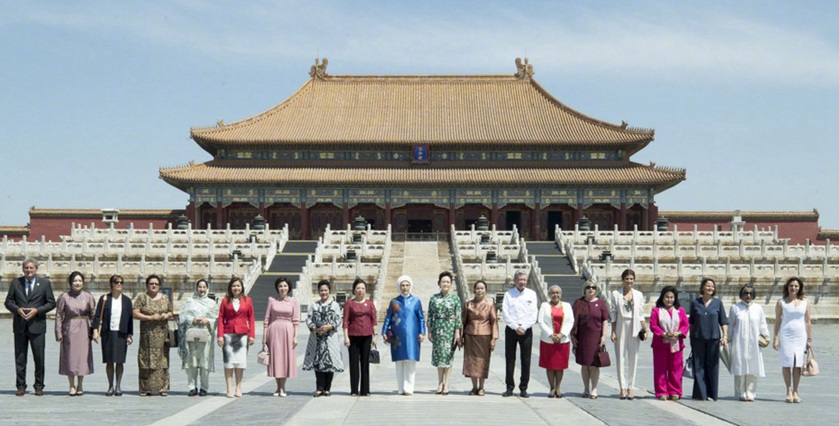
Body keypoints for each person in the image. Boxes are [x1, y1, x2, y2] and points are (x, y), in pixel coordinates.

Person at [5, 259, 56, 396]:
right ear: (23, 269)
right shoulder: (16, 283)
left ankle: (39, 385)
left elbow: (51, 303)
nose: (28, 270)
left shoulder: (44, 283)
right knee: (20, 358)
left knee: (39, 358)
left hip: (37, 326)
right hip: (20, 326)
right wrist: (17, 309)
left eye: (31, 268)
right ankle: (21, 385)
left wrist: (37, 310)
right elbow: (8, 301)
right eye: (26, 268)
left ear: (36, 269)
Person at [382, 275, 425, 396]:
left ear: (410, 286)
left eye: (407, 285)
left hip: (412, 335)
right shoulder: (394, 302)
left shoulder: (416, 301)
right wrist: (384, 331)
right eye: (402, 285)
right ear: (399, 287)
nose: (405, 288)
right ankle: (400, 387)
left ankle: (409, 387)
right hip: (397, 335)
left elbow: (421, 318)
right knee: (399, 361)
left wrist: (422, 332)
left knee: (410, 360)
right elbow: (388, 318)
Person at [54, 271, 96, 396]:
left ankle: (80, 384)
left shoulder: (88, 297)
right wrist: (58, 332)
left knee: (82, 358)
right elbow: (59, 315)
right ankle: (71, 385)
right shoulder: (64, 297)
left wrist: (95, 330)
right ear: (71, 283)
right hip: (69, 328)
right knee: (70, 357)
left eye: (80, 281)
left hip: (83, 328)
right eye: (75, 281)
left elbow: (93, 315)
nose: (77, 283)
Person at [91, 274, 133, 397]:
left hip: (122, 332)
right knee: (109, 361)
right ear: (112, 284)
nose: (119, 284)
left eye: (121, 282)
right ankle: (110, 386)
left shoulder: (127, 300)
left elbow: (130, 319)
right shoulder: (104, 299)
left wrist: (130, 334)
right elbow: (98, 315)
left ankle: (118, 386)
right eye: (116, 282)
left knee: (120, 361)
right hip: (108, 332)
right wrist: (95, 330)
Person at [609, 268, 647, 400]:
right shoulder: (615, 294)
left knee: (633, 358)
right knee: (620, 357)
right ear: (623, 280)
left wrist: (645, 329)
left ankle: (631, 386)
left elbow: (641, 313)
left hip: (634, 326)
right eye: (627, 279)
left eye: (631, 279)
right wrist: (613, 331)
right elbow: (613, 313)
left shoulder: (638, 295)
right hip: (621, 324)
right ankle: (622, 387)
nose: (629, 281)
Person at [133, 274, 174, 396]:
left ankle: (162, 387)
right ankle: (146, 388)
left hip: (162, 335)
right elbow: (135, 313)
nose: (154, 285)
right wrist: (150, 317)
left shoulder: (165, 298)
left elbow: (171, 311)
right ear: (147, 285)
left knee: (163, 360)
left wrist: (166, 315)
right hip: (147, 336)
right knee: (146, 360)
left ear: (159, 285)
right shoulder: (142, 298)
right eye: (151, 283)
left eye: (156, 283)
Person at [773, 277, 812, 403]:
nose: (793, 288)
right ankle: (788, 390)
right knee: (787, 363)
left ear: (799, 287)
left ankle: (796, 391)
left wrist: (809, 338)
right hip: (786, 335)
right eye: (791, 286)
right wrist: (775, 338)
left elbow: (808, 321)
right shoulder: (781, 302)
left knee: (797, 364)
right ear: (787, 287)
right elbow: (778, 321)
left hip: (800, 336)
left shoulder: (805, 302)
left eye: (796, 286)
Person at [689, 277, 728, 401]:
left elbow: (723, 321)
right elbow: (692, 323)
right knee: (699, 366)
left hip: (713, 338)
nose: (710, 288)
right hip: (698, 338)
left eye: (712, 286)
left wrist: (725, 336)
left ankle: (711, 394)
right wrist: (691, 337)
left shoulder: (718, 303)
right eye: (708, 286)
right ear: (702, 288)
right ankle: (701, 393)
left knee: (712, 366)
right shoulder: (695, 303)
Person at [178, 278, 219, 397]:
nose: (201, 289)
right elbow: (182, 318)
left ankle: (204, 387)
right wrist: (192, 320)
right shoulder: (189, 302)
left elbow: (217, 319)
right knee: (191, 362)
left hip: (206, 336)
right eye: (199, 287)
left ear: (207, 289)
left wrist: (207, 320)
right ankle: (192, 387)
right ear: (196, 288)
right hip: (191, 336)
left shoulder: (212, 304)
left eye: (204, 287)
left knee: (205, 362)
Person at [729, 284, 769, 402]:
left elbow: (762, 324)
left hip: (753, 342)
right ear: (741, 294)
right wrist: (727, 338)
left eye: (751, 293)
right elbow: (731, 325)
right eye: (746, 293)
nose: (748, 295)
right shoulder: (735, 308)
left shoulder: (758, 308)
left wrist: (766, 336)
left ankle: (751, 392)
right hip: (739, 342)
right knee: (739, 366)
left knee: (753, 367)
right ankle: (740, 392)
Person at [303, 279, 343, 397]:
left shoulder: (335, 305)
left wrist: (329, 326)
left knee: (329, 363)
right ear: (318, 291)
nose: (323, 292)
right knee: (318, 363)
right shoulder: (315, 305)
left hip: (330, 338)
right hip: (317, 338)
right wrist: (314, 328)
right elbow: (308, 319)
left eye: (325, 290)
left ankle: (327, 388)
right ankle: (319, 388)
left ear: (329, 291)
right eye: (321, 290)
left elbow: (338, 319)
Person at [501, 270, 538, 398]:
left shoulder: (531, 294)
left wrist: (524, 327)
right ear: (515, 280)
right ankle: (509, 387)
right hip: (511, 329)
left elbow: (534, 314)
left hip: (526, 330)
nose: (522, 282)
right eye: (519, 279)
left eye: (524, 280)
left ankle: (523, 387)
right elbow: (505, 313)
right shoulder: (508, 294)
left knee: (526, 359)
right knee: (510, 358)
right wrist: (515, 327)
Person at [649, 285, 689, 401]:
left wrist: (679, 333)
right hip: (660, 344)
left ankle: (675, 391)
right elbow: (653, 325)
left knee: (676, 368)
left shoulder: (680, 311)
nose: (669, 300)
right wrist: (663, 334)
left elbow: (685, 325)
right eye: (667, 297)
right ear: (662, 298)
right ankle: (661, 391)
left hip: (676, 344)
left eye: (672, 297)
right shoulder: (656, 311)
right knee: (660, 369)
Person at [218, 276, 255, 398]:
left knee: (240, 362)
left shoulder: (247, 300)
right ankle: (229, 388)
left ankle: (238, 387)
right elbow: (220, 318)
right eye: (234, 286)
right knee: (228, 363)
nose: (236, 288)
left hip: (242, 334)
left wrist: (252, 335)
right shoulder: (225, 301)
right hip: (228, 333)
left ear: (242, 287)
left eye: (238, 286)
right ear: (230, 288)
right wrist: (220, 335)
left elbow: (251, 318)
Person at [571, 280, 608, 399]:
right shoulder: (578, 303)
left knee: (595, 365)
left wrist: (604, 336)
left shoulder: (601, 303)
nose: (591, 289)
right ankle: (586, 388)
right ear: (584, 289)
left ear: (596, 290)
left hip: (596, 337)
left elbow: (605, 320)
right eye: (588, 287)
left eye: (593, 287)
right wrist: (573, 336)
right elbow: (572, 320)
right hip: (582, 337)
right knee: (585, 364)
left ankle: (594, 388)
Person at [427, 271, 462, 395]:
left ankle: (447, 383)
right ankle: (440, 382)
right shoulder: (434, 298)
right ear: (439, 284)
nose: (445, 284)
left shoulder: (455, 299)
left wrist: (457, 333)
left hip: (449, 330)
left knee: (447, 358)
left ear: (451, 284)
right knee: (439, 358)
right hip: (437, 330)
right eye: (443, 282)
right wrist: (429, 330)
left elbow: (458, 316)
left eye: (447, 282)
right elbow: (430, 315)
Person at [461, 279, 498, 396]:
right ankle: (474, 387)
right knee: (471, 361)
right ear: (474, 290)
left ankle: (481, 387)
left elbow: (494, 321)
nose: (480, 290)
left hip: (485, 336)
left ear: (486, 291)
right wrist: (461, 336)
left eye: (482, 288)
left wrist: (494, 338)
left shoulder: (490, 305)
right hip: (470, 336)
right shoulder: (468, 304)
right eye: (478, 288)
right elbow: (463, 321)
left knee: (483, 361)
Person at [263, 276, 298, 397]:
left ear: (289, 287)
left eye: (285, 286)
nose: (283, 288)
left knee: (285, 359)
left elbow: (296, 321)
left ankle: (283, 387)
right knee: (276, 359)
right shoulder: (272, 300)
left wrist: (295, 336)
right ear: (277, 288)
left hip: (288, 331)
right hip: (274, 331)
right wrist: (264, 337)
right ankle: (277, 387)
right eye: (280, 286)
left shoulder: (293, 301)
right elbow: (266, 319)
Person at [537, 285, 574, 398]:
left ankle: (558, 387)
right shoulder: (544, 306)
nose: (555, 295)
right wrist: (550, 334)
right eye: (552, 292)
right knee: (550, 365)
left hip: (562, 340)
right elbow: (540, 321)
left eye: (557, 292)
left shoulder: (567, 306)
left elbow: (571, 321)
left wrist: (562, 334)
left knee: (560, 366)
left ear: (561, 294)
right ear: (549, 294)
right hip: (548, 340)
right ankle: (551, 387)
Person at [343, 278, 377, 397]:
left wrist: (375, 336)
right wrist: (346, 337)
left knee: (365, 363)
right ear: (354, 290)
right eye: (358, 288)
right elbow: (345, 321)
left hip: (367, 336)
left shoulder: (370, 304)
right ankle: (353, 389)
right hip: (353, 336)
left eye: (362, 288)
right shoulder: (349, 304)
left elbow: (374, 321)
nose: (360, 290)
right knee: (353, 363)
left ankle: (365, 389)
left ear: (366, 290)